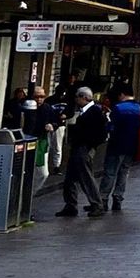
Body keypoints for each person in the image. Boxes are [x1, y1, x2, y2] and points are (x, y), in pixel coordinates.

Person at [58, 86, 108, 217]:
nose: (75, 100)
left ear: (84, 98)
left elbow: (101, 133)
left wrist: (89, 145)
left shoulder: (94, 112)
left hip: (84, 148)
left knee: (86, 177)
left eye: (77, 97)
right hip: (78, 147)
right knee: (70, 178)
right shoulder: (85, 111)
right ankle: (70, 205)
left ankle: (97, 204)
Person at [100, 84, 140, 211]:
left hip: (116, 145)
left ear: (122, 94)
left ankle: (103, 199)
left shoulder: (118, 108)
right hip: (132, 146)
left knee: (110, 173)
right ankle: (118, 199)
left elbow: (111, 126)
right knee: (124, 172)